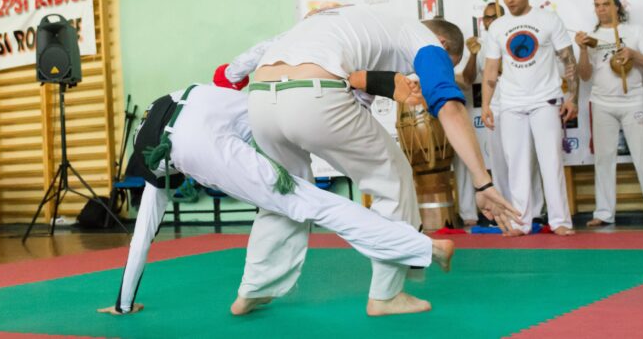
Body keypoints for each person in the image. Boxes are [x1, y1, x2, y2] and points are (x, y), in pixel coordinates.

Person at [97, 64, 455, 316]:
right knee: (301, 189)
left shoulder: (154, 165)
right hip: (259, 101)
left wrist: (124, 303)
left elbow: (142, 237)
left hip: (200, 145)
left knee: (310, 204)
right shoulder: (186, 97)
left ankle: (424, 247)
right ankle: (255, 289)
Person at [239, 4, 520, 317]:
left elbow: (354, 86)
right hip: (311, 94)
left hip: (261, 97)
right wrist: (483, 182)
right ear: (443, 46)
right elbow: (449, 107)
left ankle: (255, 286)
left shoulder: (367, 21)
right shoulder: (424, 41)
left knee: (285, 190)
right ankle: (386, 295)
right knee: (393, 179)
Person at [481, 0, 576, 236]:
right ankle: (521, 222)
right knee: (517, 164)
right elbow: (490, 69)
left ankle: (560, 222)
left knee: (551, 161)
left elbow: (568, 60)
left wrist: (572, 97)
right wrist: (487, 105)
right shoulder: (498, 26)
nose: (510, 0)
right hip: (510, 102)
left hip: (545, 100)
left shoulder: (548, 19)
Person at [576, 0, 643, 227]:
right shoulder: (591, 36)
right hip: (601, 103)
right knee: (603, 159)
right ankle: (604, 213)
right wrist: (583, 50)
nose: (600, 9)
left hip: (631, 101)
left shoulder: (634, 31)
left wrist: (632, 54)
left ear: (617, 6)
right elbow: (584, 76)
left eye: (605, 4)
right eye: (596, 5)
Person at [462, 2, 545, 225]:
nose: (489, 21)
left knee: (526, 159)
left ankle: (534, 210)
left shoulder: (514, 36)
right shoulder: (482, 45)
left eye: (494, 16)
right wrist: (472, 55)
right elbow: (469, 79)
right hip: (494, 108)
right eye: (486, 18)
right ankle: (506, 209)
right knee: (498, 162)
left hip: (518, 103)